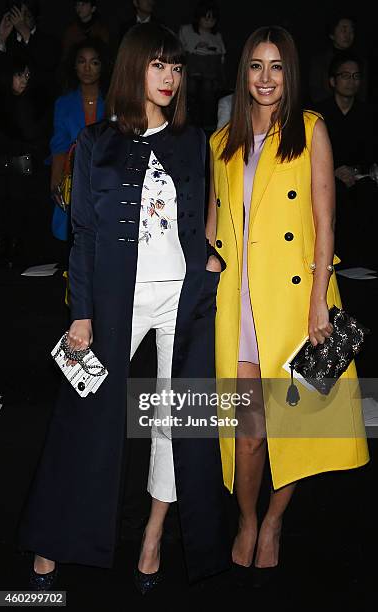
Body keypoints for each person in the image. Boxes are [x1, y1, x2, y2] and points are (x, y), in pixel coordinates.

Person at [17, 22, 230, 594]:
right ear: (134, 69)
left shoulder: (194, 140)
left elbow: (200, 215)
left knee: (176, 418)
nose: (169, 77)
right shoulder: (96, 143)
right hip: (117, 299)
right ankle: (56, 536)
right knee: (85, 414)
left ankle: (155, 536)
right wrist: (80, 312)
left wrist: (208, 258)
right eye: (158, 64)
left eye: (177, 66)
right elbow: (83, 233)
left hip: (184, 299)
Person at [206, 25, 369, 584]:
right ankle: (248, 519)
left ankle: (275, 521)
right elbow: (213, 228)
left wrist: (320, 301)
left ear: (290, 74)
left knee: (292, 428)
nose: (267, 78)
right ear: (243, 73)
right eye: (256, 65)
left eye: (277, 67)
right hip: (240, 305)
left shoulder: (311, 131)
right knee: (247, 432)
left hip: (298, 303)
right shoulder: (220, 141)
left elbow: (327, 222)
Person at [315, 52, 378, 268]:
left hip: (361, 177)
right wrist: (333, 171)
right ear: (332, 81)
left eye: (356, 76)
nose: (351, 81)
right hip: (327, 178)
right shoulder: (318, 113)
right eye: (345, 76)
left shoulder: (368, 113)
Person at [49, 37, 109, 249]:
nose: (87, 68)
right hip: (73, 180)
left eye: (94, 62)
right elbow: (59, 145)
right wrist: (55, 181)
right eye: (82, 61)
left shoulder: (113, 102)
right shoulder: (64, 103)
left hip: (107, 181)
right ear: (74, 66)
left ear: (102, 67)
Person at [0, 55, 50, 266]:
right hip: (2, 176)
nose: (24, 80)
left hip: (26, 177)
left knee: (21, 218)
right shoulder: (1, 103)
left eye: (27, 75)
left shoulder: (32, 102)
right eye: (19, 75)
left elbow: (35, 136)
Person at [0, 1, 60, 99]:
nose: (21, 20)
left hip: (37, 104)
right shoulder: (9, 39)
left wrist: (24, 30)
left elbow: (47, 66)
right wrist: (1, 39)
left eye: (26, 16)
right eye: (18, 15)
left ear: (35, 17)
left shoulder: (48, 41)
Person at [179, 0, 226, 130]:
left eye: (212, 18)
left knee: (208, 89)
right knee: (192, 87)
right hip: (191, 72)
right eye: (206, 16)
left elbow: (221, 58)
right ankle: (189, 123)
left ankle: (206, 126)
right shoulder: (186, 30)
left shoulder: (217, 36)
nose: (209, 20)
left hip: (210, 74)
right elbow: (181, 52)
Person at [308, 13, 368, 104]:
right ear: (332, 34)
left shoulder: (361, 62)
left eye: (351, 31)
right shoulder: (319, 61)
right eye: (344, 30)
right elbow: (316, 93)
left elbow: (363, 93)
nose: (348, 35)